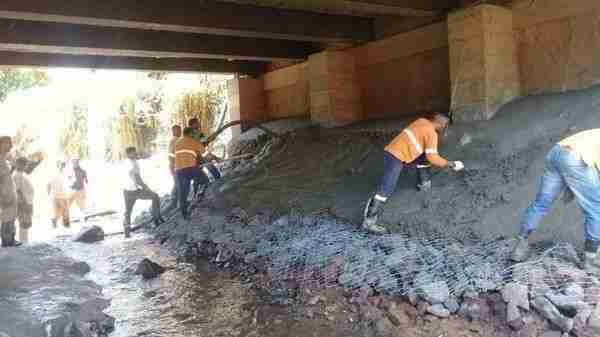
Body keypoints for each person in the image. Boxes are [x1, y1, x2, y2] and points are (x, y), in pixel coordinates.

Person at [511, 129, 600, 273]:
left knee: (541, 203)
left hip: (555, 153)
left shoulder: (596, 133)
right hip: (576, 159)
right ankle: (591, 261)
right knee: (596, 209)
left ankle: (520, 246)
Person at [362, 113, 465, 234]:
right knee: (387, 188)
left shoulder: (421, 121)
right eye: (445, 126)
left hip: (391, 151)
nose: (445, 128)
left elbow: (425, 153)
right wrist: (450, 164)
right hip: (396, 158)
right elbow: (433, 158)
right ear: (442, 124)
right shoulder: (431, 134)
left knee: (423, 158)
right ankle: (369, 222)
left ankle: (424, 183)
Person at [122, 146, 165, 238]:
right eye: (133, 152)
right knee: (155, 196)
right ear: (128, 154)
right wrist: (146, 187)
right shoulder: (133, 163)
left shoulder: (125, 162)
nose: (136, 153)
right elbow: (137, 179)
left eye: (135, 152)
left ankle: (127, 232)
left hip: (126, 190)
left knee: (128, 211)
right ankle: (156, 219)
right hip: (134, 190)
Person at [175, 127, 212, 220]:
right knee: (205, 181)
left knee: (183, 192)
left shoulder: (177, 143)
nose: (196, 134)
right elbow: (205, 154)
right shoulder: (193, 141)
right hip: (191, 168)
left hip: (179, 170)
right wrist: (216, 158)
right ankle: (197, 198)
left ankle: (185, 214)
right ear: (190, 134)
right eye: (194, 133)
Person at [0, 136, 18, 247]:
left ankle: (11, 238)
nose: (11, 146)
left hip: (10, 191)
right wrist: (3, 194)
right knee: (7, 216)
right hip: (5, 193)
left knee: (11, 215)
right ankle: (7, 240)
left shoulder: (4, 159)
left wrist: (12, 169)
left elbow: (5, 176)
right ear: (1, 144)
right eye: (8, 143)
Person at [13, 157, 34, 243]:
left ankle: (24, 242)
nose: (26, 165)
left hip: (27, 202)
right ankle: (24, 243)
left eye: (26, 164)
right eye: (24, 164)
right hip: (24, 203)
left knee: (25, 226)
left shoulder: (22, 174)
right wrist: (25, 204)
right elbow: (18, 191)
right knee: (24, 225)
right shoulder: (17, 175)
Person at [48, 161, 70, 229]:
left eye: (64, 165)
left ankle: (57, 224)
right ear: (58, 165)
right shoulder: (55, 174)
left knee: (61, 213)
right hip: (58, 196)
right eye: (61, 165)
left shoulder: (63, 173)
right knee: (64, 212)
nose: (63, 166)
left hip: (62, 195)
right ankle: (63, 226)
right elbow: (48, 185)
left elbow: (66, 184)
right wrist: (49, 195)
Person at [167, 125, 182, 210]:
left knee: (178, 183)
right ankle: (174, 202)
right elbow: (170, 154)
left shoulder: (176, 140)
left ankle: (174, 202)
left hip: (176, 165)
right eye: (178, 130)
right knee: (178, 183)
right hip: (175, 165)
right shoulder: (174, 140)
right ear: (173, 131)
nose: (180, 132)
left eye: (180, 130)